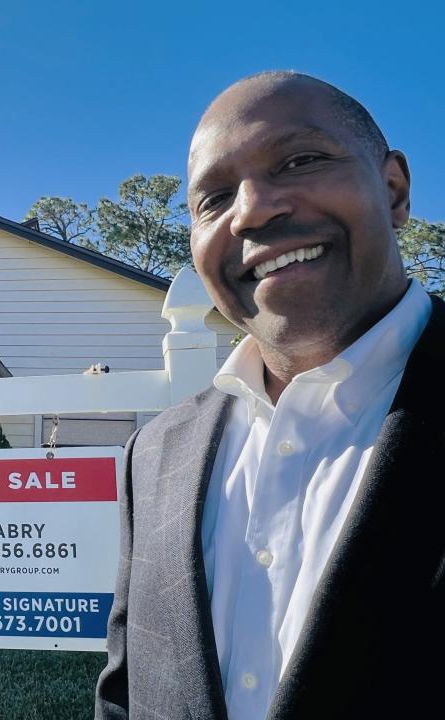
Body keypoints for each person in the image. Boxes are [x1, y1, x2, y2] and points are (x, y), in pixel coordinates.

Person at [94, 71, 444, 720]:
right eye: (214, 199)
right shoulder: (154, 457)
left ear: (394, 190)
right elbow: (124, 700)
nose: (251, 210)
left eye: (301, 160)